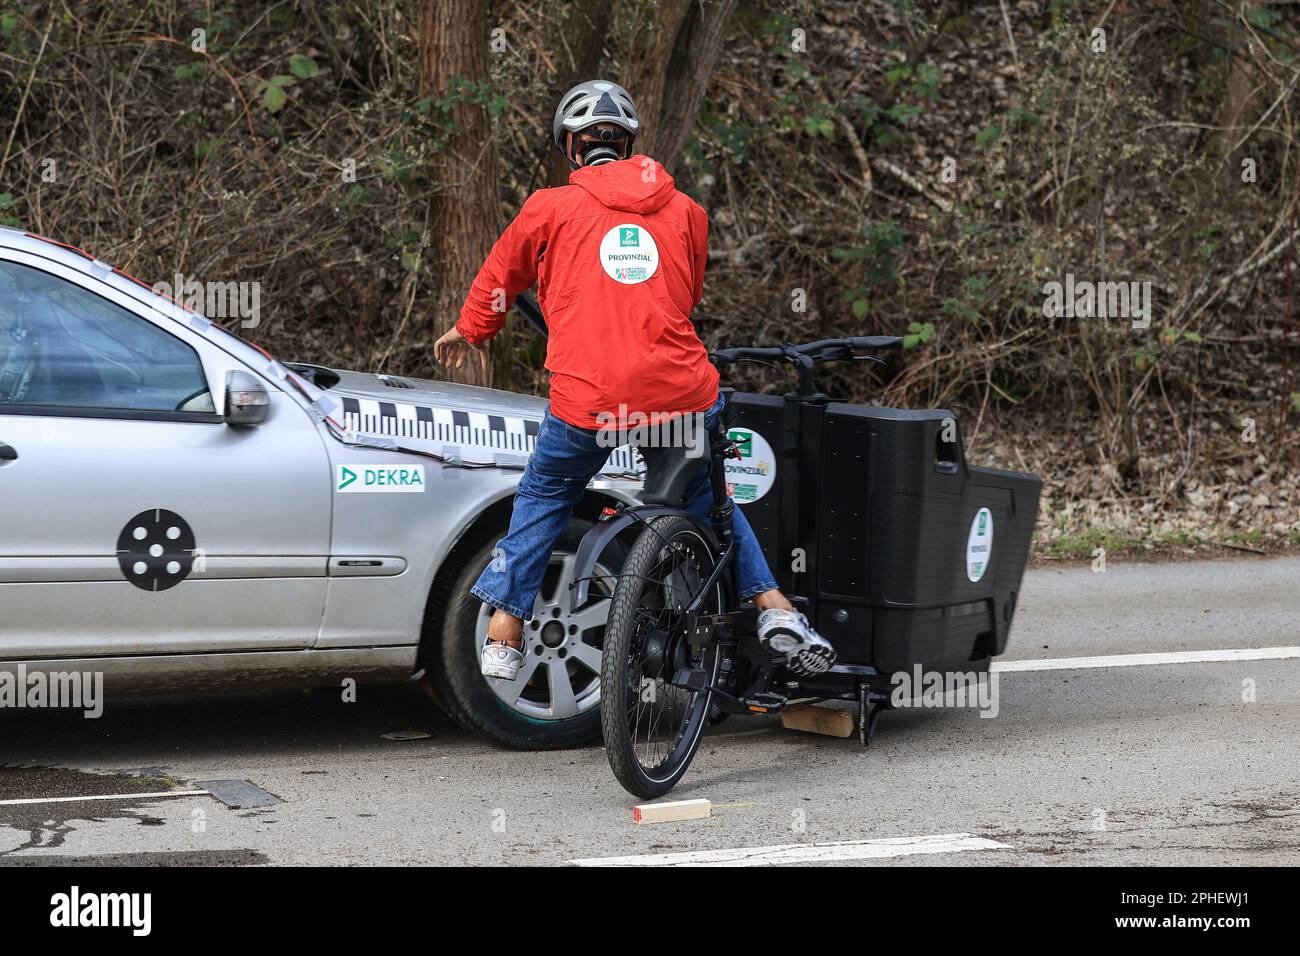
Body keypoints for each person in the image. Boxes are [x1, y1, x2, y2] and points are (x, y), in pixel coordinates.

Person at [433, 79, 835, 682]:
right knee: (708, 498)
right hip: (679, 392)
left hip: (589, 399)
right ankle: (774, 607)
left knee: (545, 495)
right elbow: (687, 293)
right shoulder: (687, 212)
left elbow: (499, 280)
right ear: (626, 144)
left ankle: (506, 627)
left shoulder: (549, 208)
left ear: (572, 147)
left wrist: (470, 330)